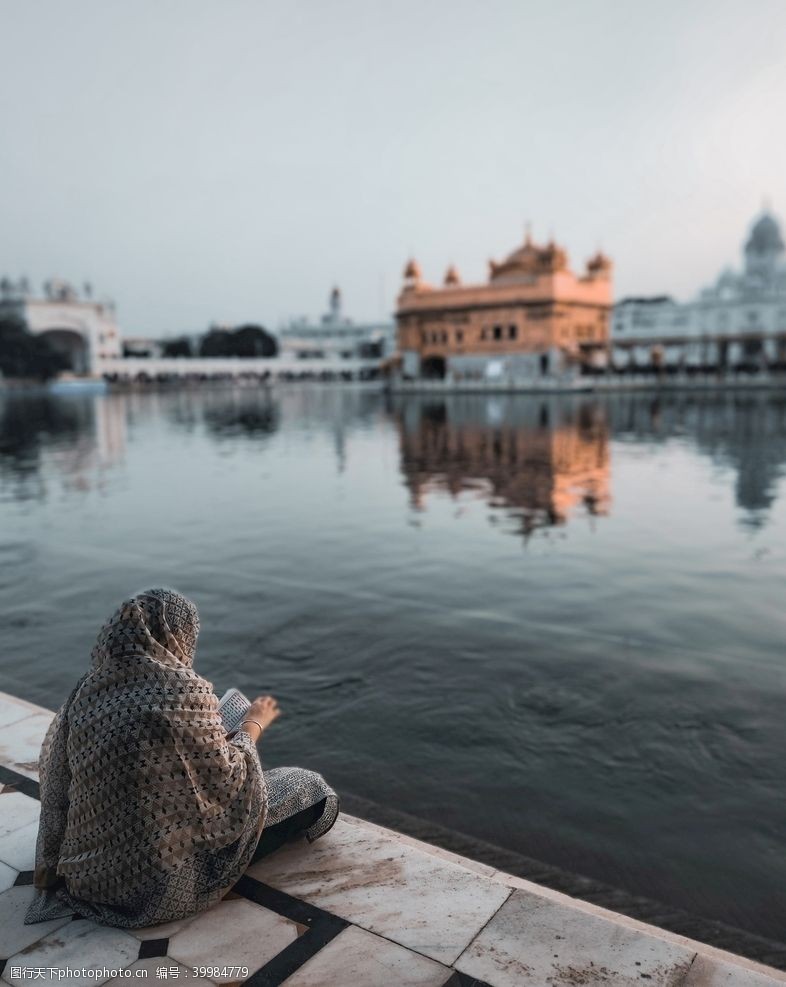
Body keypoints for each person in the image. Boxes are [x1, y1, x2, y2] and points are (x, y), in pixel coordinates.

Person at [24, 588, 338, 929]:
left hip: (90, 877)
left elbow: (57, 784)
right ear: (180, 635)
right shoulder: (183, 693)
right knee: (308, 787)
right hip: (161, 886)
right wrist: (253, 724)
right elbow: (231, 788)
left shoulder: (86, 691)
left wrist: (49, 865)